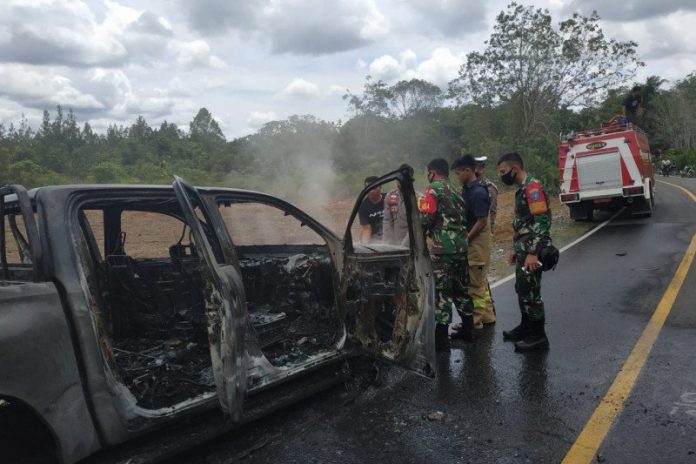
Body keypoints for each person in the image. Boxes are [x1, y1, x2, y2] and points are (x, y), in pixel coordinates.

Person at [497, 152, 552, 351]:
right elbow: (523, 224)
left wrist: (533, 252)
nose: (502, 175)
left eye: (503, 171)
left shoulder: (533, 187)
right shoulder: (522, 189)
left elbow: (541, 221)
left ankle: (538, 336)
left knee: (531, 292)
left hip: (532, 251)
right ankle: (526, 326)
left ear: (515, 168)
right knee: (522, 289)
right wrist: (515, 248)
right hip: (523, 248)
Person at [419, 158, 474, 350]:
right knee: (462, 289)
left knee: (442, 292)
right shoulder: (456, 191)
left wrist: (421, 230)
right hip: (460, 247)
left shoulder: (433, 189)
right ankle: (468, 330)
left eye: (428, 173)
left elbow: (427, 217)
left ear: (432, 172)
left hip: (443, 250)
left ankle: (441, 339)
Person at [452, 155, 496, 331]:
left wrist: (466, 238)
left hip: (477, 240)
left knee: (474, 284)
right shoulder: (469, 189)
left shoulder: (478, 192)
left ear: (467, 171)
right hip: (477, 238)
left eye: (458, 173)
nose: (457, 176)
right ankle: (487, 316)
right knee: (481, 281)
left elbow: (482, 221)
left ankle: (474, 322)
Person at [382, 164, 413, 247]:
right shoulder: (390, 196)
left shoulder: (418, 198)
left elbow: (416, 227)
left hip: (413, 245)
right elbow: (387, 221)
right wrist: (388, 244)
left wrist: (404, 245)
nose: (400, 182)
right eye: (399, 179)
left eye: (404, 180)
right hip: (395, 245)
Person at [474, 156, 499, 234]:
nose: (477, 170)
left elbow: (492, 210)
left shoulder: (490, 187)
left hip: (483, 230)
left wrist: (491, 231)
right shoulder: (468, 186)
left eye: (479, 167)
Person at [358, 176, 385, 243]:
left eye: (373, 188)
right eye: (368, 188)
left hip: (389, 233)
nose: (370, 191)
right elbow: (367, 229)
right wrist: (365, 245)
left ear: (380, 187)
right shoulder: (362, 206)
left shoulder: (388, 199)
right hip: (374, 236)